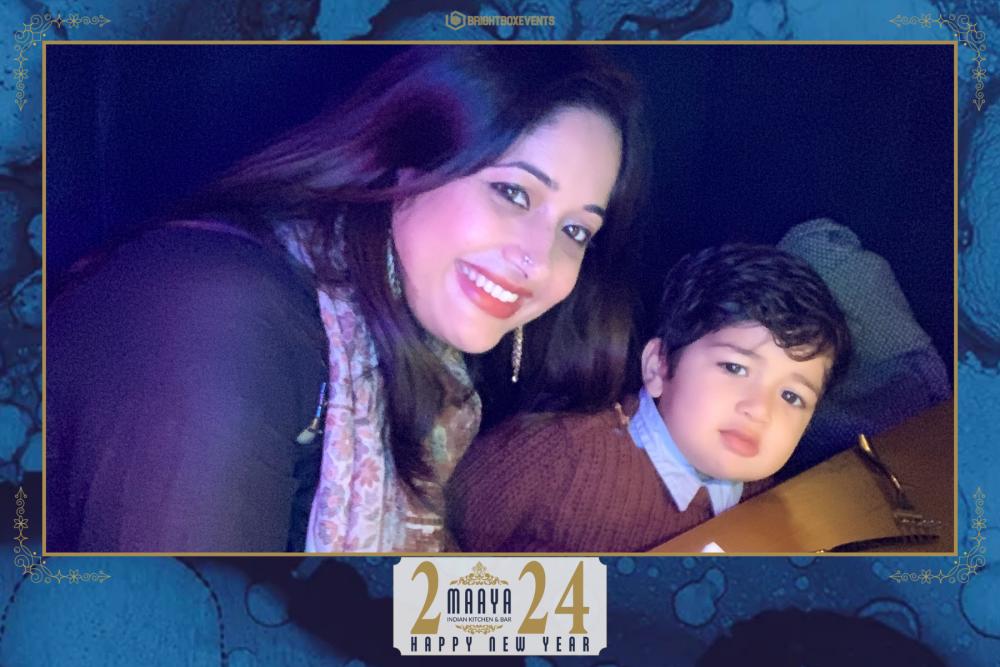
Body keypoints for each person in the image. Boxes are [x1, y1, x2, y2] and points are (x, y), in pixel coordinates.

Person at [45, 46, 648, 553]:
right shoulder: (216, 316)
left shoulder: (423, 355)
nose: (539, 260)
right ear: (407, 157)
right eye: (513, 193)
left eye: (576, 231)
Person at [446, 244, 852, 552]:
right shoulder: (548, 458)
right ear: (658, 367)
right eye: (734, 368)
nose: (760, 410)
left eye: (791, 396)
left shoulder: (760, 488)